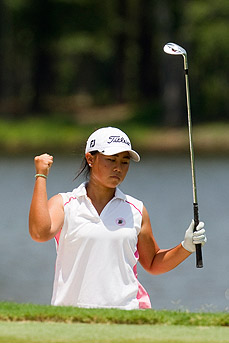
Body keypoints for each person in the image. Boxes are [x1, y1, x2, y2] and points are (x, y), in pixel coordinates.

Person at [29, 127, 207, 309]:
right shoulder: (65, 204)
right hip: (70, 314)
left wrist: (186, 247)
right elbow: (39, 233)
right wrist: (41, 176)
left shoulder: (136, 209)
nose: (118, 168)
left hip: (125, 312)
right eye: (111, 160)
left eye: (124, 162)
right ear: (90, 159)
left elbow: (153, 263)